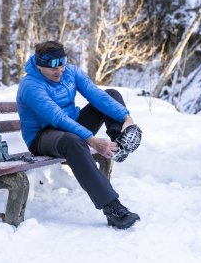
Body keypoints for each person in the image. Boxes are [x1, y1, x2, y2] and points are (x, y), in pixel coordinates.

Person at [16, 41, 142, 229]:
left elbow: (96, 95)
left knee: (111, 94)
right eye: (53, 69)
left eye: (62, 65)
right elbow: (56, 117)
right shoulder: (30, 86)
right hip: (43, 136)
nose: (59, 71)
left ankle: (120, 144)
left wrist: (126, 117)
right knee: (73, 141)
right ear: (39, 65)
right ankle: (112, 208)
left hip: (72, 126)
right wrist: (91, 140)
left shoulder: (71, 72)